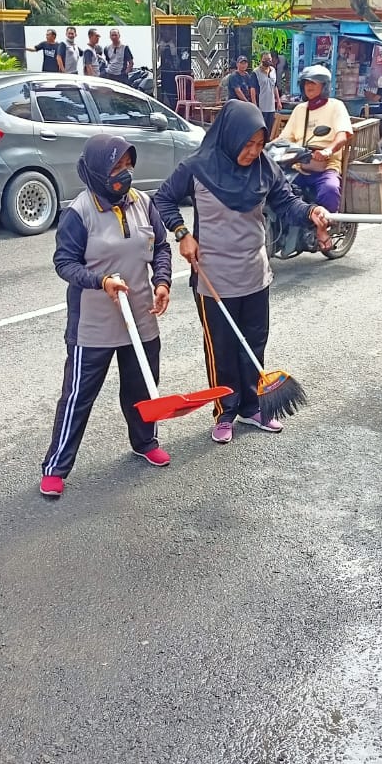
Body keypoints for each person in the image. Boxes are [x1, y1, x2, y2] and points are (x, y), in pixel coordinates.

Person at [153, 100, 331, 443]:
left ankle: (252, 408)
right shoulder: (196, 168)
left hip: (254, 273)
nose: (253, 152)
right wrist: (181, 233)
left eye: (260, 144)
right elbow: (162, 199)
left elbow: (286, 202)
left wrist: (311, 213)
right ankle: (225, 411)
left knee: (254, 343)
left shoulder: (265, 168)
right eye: (247, 144)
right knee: (221, 349)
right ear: (230, 137)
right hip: (212, 277)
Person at [40, 135, 174, 499]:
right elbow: (65, 264)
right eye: (115, 168)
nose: (123, 174)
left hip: (142, 318)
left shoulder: (143, 203)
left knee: (141, 389)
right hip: (94, 325)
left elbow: (160, 246)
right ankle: (56, 467)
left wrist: (162, 281)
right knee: (78, 397)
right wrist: (100, 280)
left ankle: (145, 442)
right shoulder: (78, 213)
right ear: (98, 171)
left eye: (127, 166)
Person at [280, 65, 353, 215]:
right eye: (306, 83)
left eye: (313, 83)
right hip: (299, 166)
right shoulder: (300, 109)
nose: (308, 86)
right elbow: (284, 138)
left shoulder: (336, 106)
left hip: (326, 167)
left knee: (330, 189)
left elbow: (342, 135)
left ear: (324, 86)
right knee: (276, 187)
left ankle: (322, 229)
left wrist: (328, 150)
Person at [255, 52, 279, 118]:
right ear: (261, 60)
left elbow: (275, 86)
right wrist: (254, 105)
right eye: (265, 59)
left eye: (269, 58)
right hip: (261, 106)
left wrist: (278, 101)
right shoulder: (256, 72)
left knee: (271, 126)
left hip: (271, 106)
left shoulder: (273, 70)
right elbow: (252, 89)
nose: (268, 60)